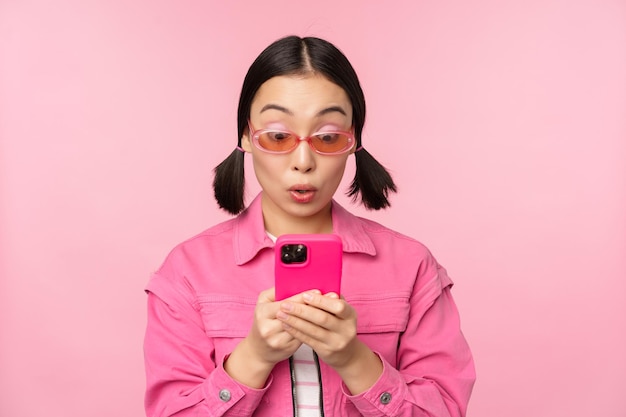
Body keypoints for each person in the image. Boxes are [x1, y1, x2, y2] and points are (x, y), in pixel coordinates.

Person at [143, 35, 475, 417]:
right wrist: (252, 358)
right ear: (247, 138)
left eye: (328, 137)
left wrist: (353, 359)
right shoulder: (186, 272)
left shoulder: (413, 266)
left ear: (354, 142)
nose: (303, 161)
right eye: (279, 135)